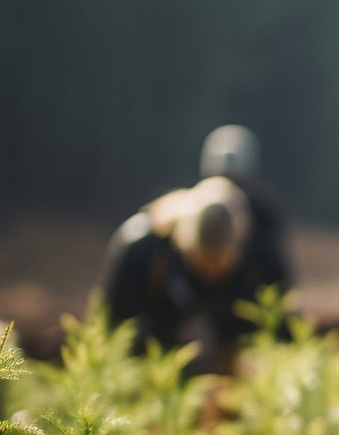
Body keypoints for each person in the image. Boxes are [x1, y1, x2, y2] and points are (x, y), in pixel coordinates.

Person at [103, 125, 293, 371]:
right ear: (183, 239)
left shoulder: (262, 250)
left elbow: (281, 326)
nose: (212, 270)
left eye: (220, 261)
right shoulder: (144, 248)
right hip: (155, 361)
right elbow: (112, 330)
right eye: (204, 259)